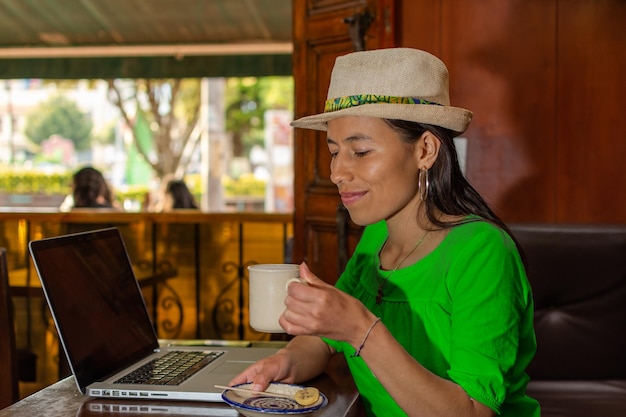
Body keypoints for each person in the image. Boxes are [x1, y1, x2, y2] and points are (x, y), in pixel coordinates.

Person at [229, 48, 540, 416]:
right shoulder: (376, 237)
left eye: (360, 152)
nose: (337, 173)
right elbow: (325, 340)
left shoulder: (482, 251)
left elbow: (471, 412)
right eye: (333, 152)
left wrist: (361, 328)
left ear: (425, 150)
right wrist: (284, 362)